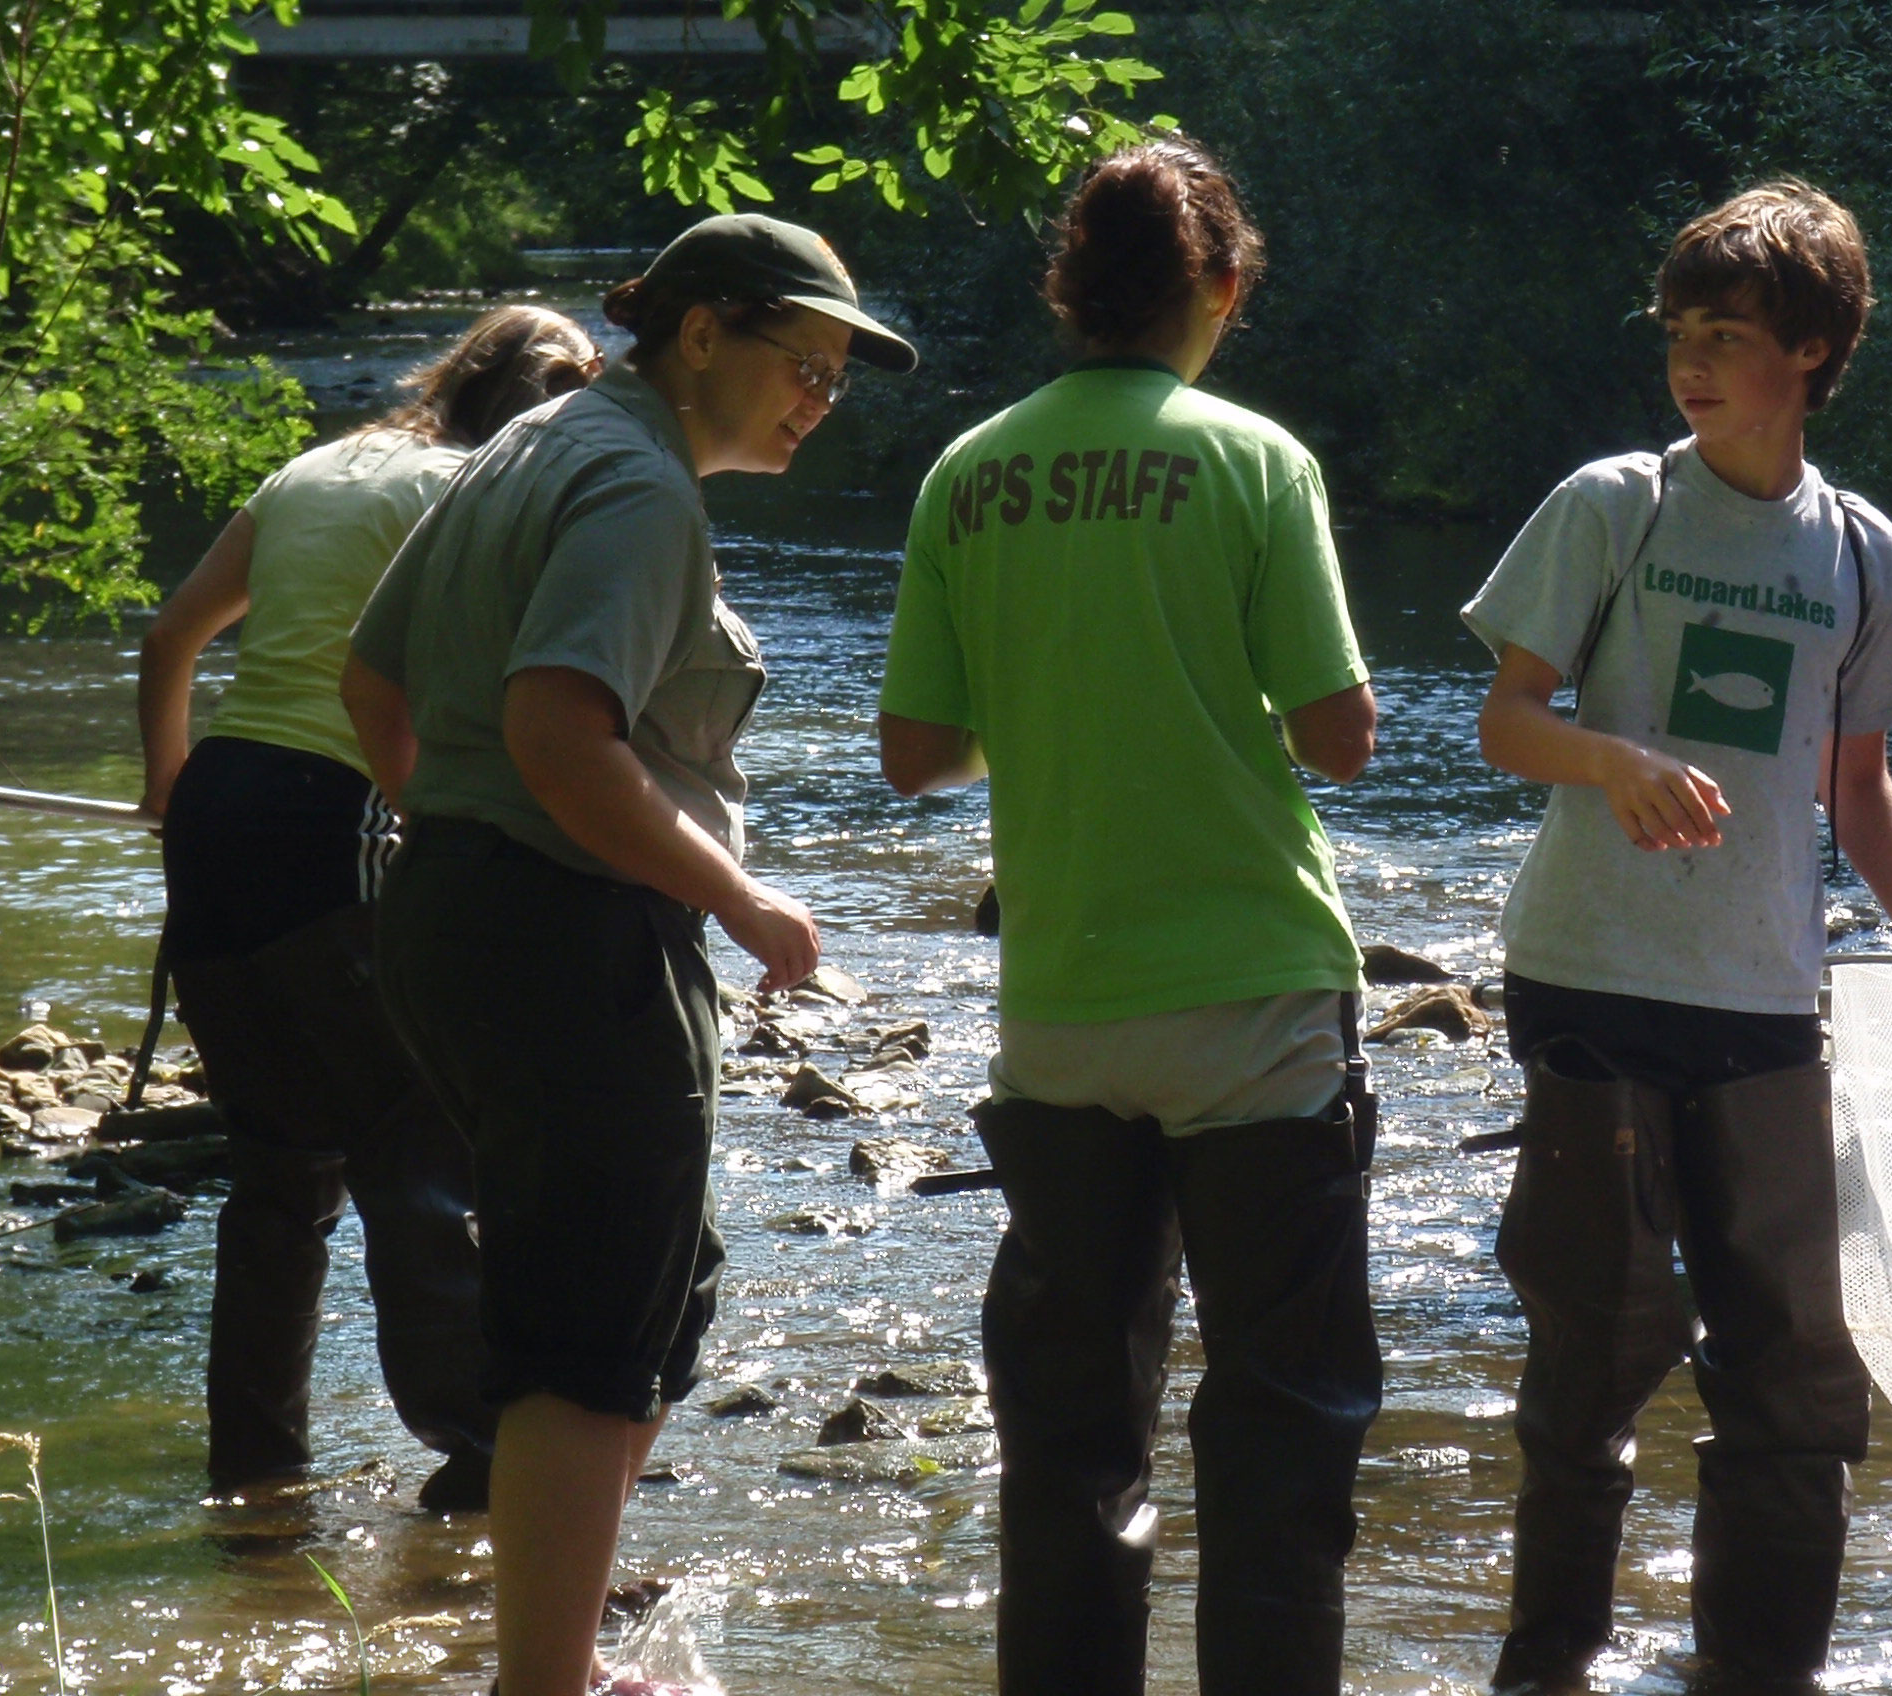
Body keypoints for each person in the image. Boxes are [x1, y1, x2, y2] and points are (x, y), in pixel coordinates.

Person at [342, 213, 912, 1696]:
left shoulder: (528, 445)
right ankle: (549, 1680)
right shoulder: (637, 487)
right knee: (595, 1321)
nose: (817, 399)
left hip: (460, 914)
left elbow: (372, 678)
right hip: (570, 929)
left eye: (839, 381)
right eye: (805, 363)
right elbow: (556, 732)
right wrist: (742, 903)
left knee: (649, 1289)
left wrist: (451, 838)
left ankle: (561, 1652)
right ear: (702, 330)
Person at [873, 139, 1382, 1696]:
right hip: (1255, 1007)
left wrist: (1046, 690)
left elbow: (916, 755)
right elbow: (1339, 733)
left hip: (1066, 1012)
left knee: (1073, 1439)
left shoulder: (971, 469)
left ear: (1066, 291)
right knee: (1281, 1422)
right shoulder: (1256, 460)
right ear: (1223, 287)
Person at [1462, 179, 1892, 1696]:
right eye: (1679, 328)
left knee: (1796, 1374)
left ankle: (1763, 1672)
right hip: (1591, 978)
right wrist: (1614, 760)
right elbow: (1506, 722)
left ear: (1809, 351)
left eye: (1726, 333)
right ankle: (1552, 1668)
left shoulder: (1865, 553)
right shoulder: (1618, 503)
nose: (1689, 358)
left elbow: (1855, 786)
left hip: (1766, 999)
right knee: (1595, 1351)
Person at [135, 304, 599, 1510]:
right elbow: (494, 696)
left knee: (280, 1172)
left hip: (218, 814)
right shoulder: (473, 490)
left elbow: (173, 634)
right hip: (329, 817)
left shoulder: (314, 469)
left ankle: (257, 1475)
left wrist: (164, 785)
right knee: (417, 1138)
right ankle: (483, 1449)